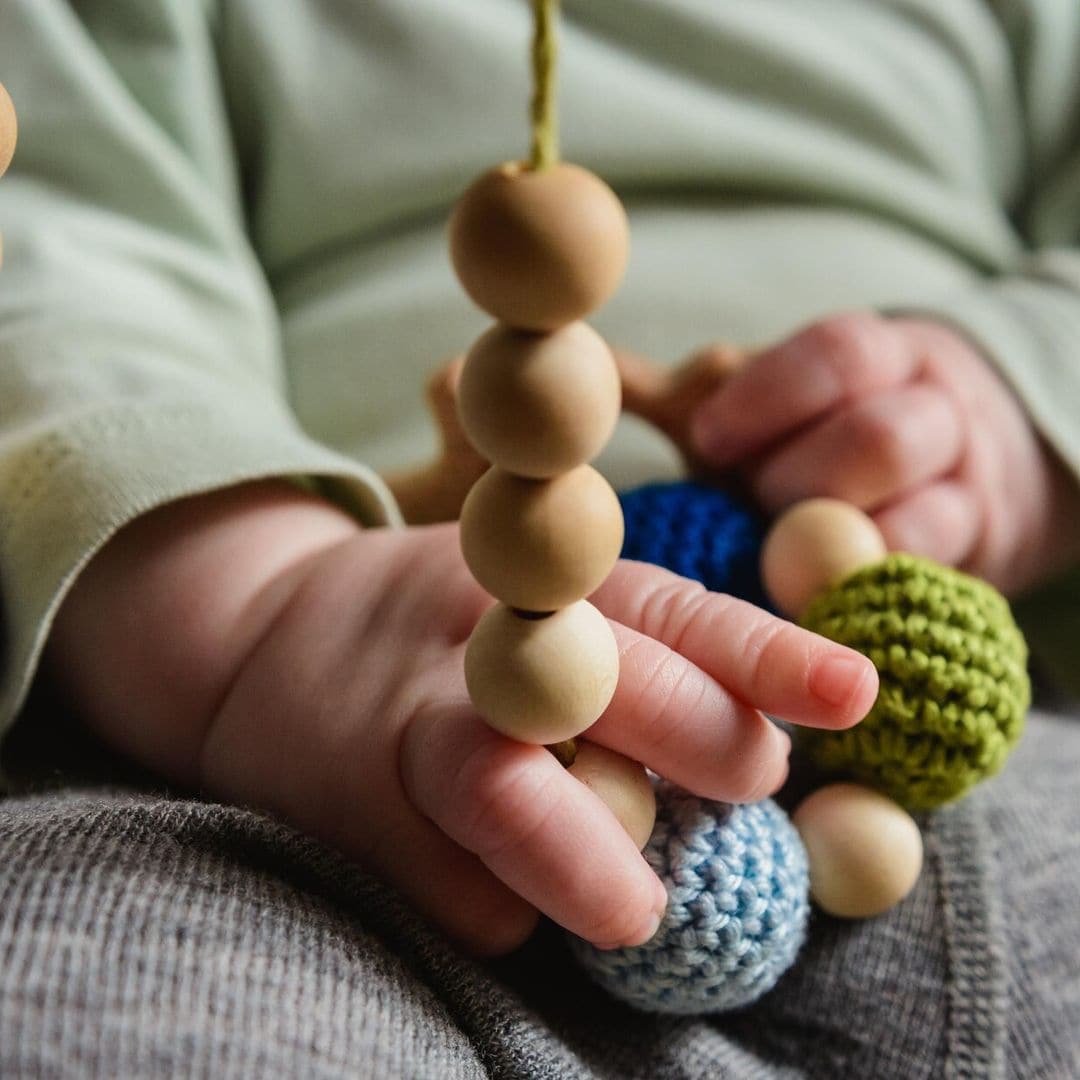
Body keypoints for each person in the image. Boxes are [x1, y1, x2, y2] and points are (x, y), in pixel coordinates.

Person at [0, 1, 1077, 1077]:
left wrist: (1024, 399)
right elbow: (61, 230)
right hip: (307, 761)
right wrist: (261, 606)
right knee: (108, 988)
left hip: (959, 746)